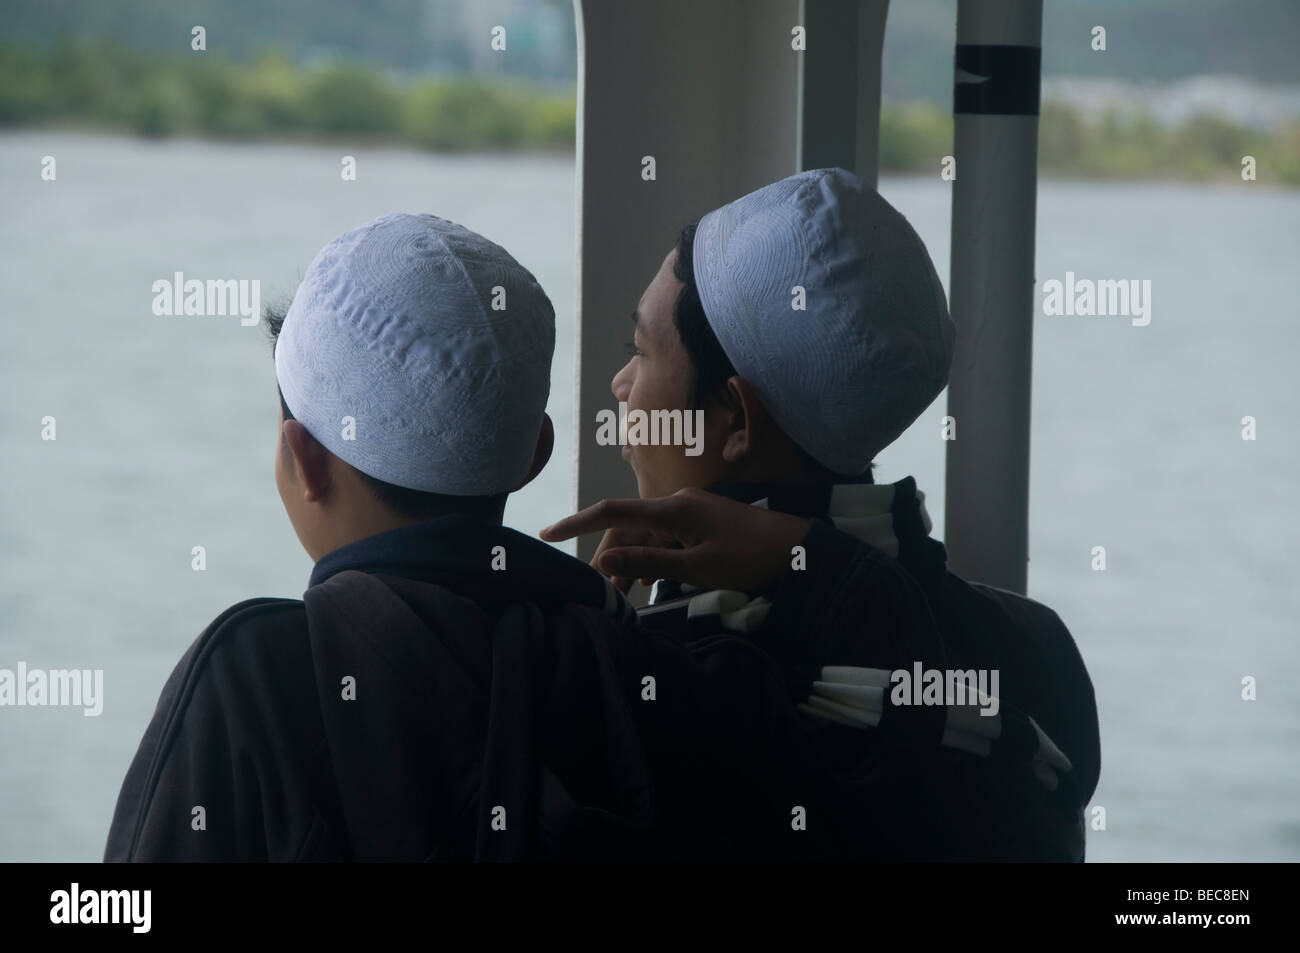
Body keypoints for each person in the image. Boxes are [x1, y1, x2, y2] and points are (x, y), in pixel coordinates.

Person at [104, 211, 1037, 863]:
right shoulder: (666, 678)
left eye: (640, 351)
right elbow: (947, 776)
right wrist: (810, 560)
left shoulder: (253, 676)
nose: (625, 387)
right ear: (536, 452)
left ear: (300, 459)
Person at [544, 168, 1101, 857]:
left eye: (641, 351)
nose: (620, 384)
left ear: (738, 420)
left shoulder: (662, 678)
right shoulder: (1038, 646)